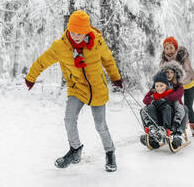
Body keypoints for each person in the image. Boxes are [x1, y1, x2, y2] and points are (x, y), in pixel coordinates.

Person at [24, 10, 123, 172]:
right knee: (69, 119)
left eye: (80, 33)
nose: (76, 36)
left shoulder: (97, 42)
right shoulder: (61, 46)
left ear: (87, 31)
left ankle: (110, 152)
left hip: (97, 89)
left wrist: (115, 77)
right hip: (76, 88)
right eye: (73, 32)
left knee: (100, 125)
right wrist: (31, 77)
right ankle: (75, 150)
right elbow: (43, 61)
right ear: (68, 29)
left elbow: (108, 60)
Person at [140, 61, 187, 149]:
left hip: (173, 108)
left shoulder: (178, 86)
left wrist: (164, 99)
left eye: (171, 72)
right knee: (145, 110)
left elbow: (177, 95)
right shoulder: (158, 85)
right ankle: (151, 133)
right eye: (167, 72)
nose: (169, 74)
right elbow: (146, 98)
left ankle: (178, 135)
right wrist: (153, 101)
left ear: (175, 73)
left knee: (184, 108)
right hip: (159, 110)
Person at [160, 36, 194, 137]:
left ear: (175, 48)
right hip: (177, 85)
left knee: (188, 106)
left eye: (171, 48)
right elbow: (161, 73)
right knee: (176, 105)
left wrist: (176, 82)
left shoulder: (182, 57)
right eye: (167, 48)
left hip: (189, 83)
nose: (169, 51)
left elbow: (187, 71)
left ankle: (193, 126)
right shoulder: (164, 60)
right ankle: (179, 122)